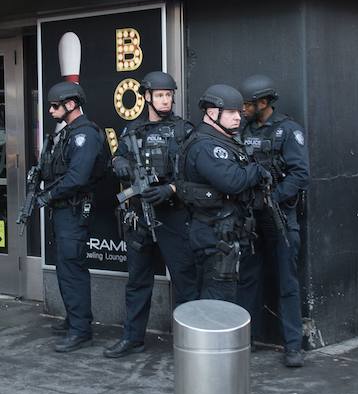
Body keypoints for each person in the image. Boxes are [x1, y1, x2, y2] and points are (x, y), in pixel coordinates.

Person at [104, 72, 198, 359]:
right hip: (140, 215)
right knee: (137, 280)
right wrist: (119, 162)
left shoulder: (184, 131)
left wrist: (171, 189)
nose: (166, 100)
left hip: (172, 214)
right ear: (146, 97)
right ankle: (133, 338)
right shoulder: (133, 130)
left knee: (184, 281)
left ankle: (190, 342)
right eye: (159, 95)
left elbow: (196, 175)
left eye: (169, 95)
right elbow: (118, 156)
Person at [237, 75, 309, 368]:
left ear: (262, 103)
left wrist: (274, 197)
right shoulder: (242, 132)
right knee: (247, 281)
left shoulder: (288, 131)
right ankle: (244, 340)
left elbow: (301, 175)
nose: (242, 109)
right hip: (251, 219)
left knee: (287, 283)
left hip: (279, 219)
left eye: (247, 104)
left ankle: (293, 346)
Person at [35, 82, 106, 353]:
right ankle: (74, 319)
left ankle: (81, 330)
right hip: (64, 209)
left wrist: (46, 196)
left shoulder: (84, 135)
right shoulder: (66, 134)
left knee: (72, 268)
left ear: (72, 104)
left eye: (55, 106)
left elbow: (77, 177)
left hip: (74, 210)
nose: (51, 110)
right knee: (65, 267)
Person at [178, 84, 266, 302]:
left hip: (227, 231)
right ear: (211, 112)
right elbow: (233, 181)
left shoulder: (224, 140)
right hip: (214, 234)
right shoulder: (206, 145)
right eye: (231, 112)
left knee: (231, 300)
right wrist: (257, 170)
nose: (238, 117)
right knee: (217, 304)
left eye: (239, 112)